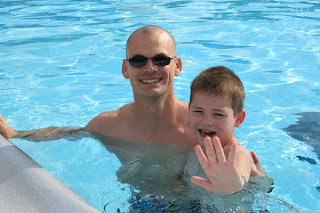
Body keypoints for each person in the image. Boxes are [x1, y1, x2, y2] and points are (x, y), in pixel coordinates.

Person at [0, 25, 264, 186]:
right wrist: (16, 135)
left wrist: (256, 182)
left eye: (161, 59)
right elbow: (70, 132)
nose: (150, 68)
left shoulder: (201, 124)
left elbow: (238, 164)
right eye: (139, 60)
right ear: (126, 69)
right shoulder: (108, 124)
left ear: (178, 66)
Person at [184, 66, 265, 196]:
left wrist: (233, 186)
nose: (206, 121)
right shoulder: (195, 149)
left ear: (238, 119)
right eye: (198, 111)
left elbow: (240, 176)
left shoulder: (237, 154)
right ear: (189, 109)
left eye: (218, 114)